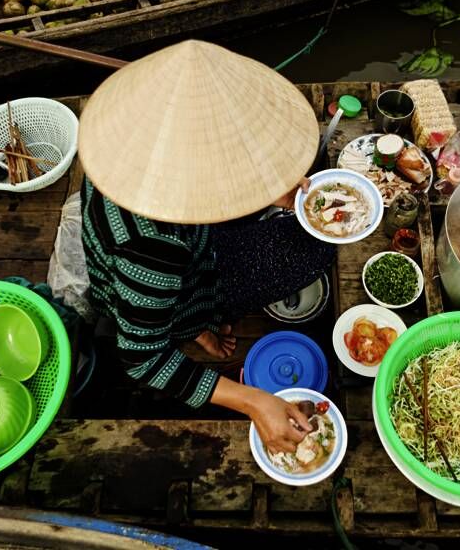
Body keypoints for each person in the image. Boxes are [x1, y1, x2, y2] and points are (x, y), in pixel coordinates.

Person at [77, 40, 334, 453]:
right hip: (152, 295)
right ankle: (192, 325)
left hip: (182, 263)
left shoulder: (123, 150)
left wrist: (267, 189)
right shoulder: (152, 248)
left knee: (298, 234)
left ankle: (196, 325)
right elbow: (142, 358)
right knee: (314, 252)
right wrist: (252, 400)